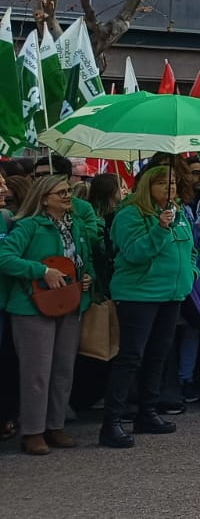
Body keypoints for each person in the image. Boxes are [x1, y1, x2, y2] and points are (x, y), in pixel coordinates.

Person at [0, 175, 98, 454]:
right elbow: (4, 257)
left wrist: (87, 278)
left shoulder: (76, 225)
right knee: (36, 373)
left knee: (63, 370)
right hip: (31, 308)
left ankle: (55, 426)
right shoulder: (29, 226)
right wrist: (41, 271)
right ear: (44, 199)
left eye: (68, 191)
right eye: (61, 193)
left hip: (68, 304)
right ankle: (33, 431)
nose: (68, 196)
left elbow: (84, 261)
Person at [100, 165, 196, 448]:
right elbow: (134, 253)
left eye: (174, 184)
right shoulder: (130, 214)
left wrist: (190, 273)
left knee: (159, 355)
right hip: (138, 295)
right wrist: (160, 227)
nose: (171, 189)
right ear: (146, 186)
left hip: (172, 295)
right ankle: (112, 423)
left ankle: (148, 412)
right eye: (163, 184)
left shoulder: (177, 212)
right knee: (131, 357)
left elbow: (189, 249)